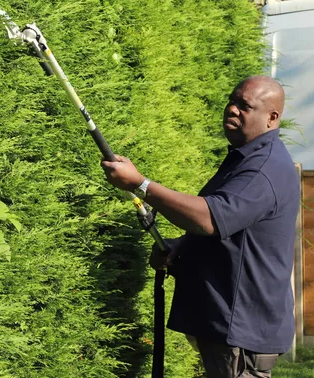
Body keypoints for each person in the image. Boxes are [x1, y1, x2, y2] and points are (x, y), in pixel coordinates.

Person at [101, 76, 300, 378]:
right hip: (232, 330)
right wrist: (182, 246)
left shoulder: (265, 168)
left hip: (240, 336)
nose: (232, 110)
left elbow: (209, 219)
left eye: (244, 106)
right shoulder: (246, 158)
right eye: (232, 101)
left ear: (272, 118)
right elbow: (237, 230)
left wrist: (141, 184)